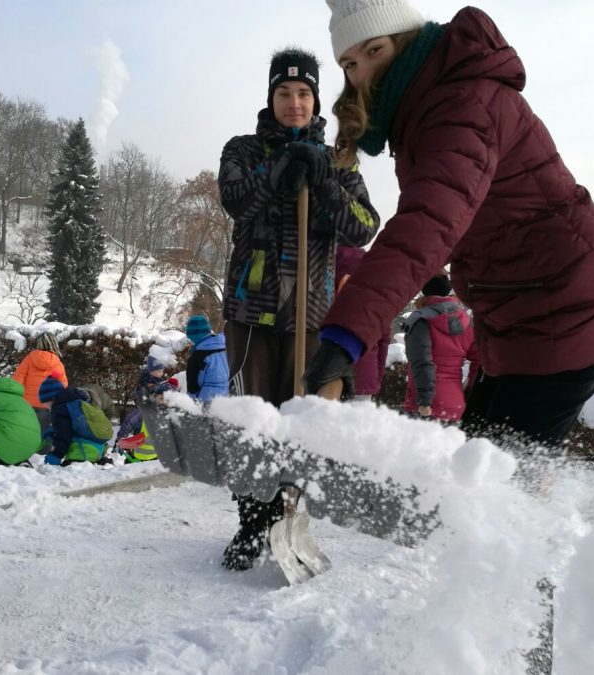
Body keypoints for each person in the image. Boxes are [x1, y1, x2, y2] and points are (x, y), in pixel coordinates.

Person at [305, 2, 594, 448]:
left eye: (374, 50)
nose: (362, 72)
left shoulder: (459, 104)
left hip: (568, 311)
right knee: (475, 465)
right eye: (349, 63)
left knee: (496, 478)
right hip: (522, 314)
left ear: (405, 40)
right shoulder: (425, 104)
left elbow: (427, 224)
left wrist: (347, 334)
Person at [217, 46, 380, 571]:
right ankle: (252, 521)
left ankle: (287, 514)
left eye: (304, 93)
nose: (294, 102)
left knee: (301, 425)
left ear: (315, 99)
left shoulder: (339, 161)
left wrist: (324, 181)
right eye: (284, 93)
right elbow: (235, 200)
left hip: (311, 316)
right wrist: (279, 168)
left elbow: (364, 226)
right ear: (271, 97)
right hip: (252, 313)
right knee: (252, 423)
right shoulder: (243, 149)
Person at [402, 273, 480, 422]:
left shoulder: (421, 320)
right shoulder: (465, 320)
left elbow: (422, 361)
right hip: (456, 404)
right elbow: (480, 361)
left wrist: (425, 401)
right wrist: (469, 392)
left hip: (426, 407)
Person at [335, 246, 389, 402]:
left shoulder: (320, 279)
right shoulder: (377, 291)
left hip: (327, 373)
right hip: (364, 375)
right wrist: (377, 377)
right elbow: (384, 339)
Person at [38, 373, 115, 466]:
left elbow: (63, 436)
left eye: (46, 403)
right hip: (99, 448)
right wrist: (54, 430)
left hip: (82, 452)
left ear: (52, 398)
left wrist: (56, 455)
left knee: (67, 469)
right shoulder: (78, 402)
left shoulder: (60, 409)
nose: (46, 407)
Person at [114, 378, 179, 463]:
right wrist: (121, 439)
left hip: (151, 458)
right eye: (162, 398)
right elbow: (127, 424)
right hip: (139, 458)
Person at [13, 332, 67, 429]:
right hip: (47, 404)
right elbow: (63, 385)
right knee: (44, 431)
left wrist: (16, 396)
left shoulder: (29, 359)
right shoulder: (57, 363)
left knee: (28, 430)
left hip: (28, 403)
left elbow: (18, 378)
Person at [184, 315, 229, 402]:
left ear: (193, 336)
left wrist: (190, 403)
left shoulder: (197, 356)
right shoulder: (226, 349)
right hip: (228, 399)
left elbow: (193, 388)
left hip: (207, 401)